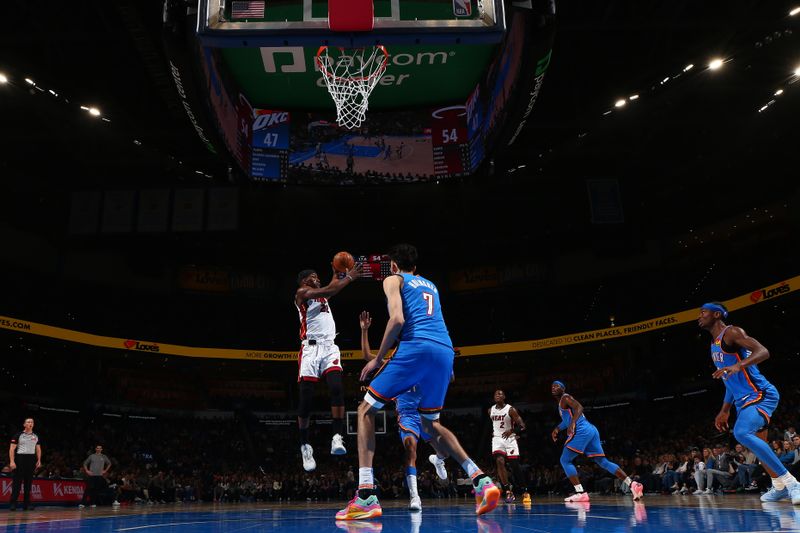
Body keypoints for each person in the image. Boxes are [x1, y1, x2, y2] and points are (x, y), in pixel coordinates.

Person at [336, 244, 500, 520]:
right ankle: (481, 479)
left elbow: (397, 319)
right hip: (445, 351)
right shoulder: (431, 285)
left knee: (365, 410)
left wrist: (377, 359)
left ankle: (366, 496)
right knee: (431, 423)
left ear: (395, 266)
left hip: (416, 347)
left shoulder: (393, 279)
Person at [698, 301, 800, 504]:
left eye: (703, 312)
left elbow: (763, 351)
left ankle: (792, 483)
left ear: (717, 314)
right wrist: (724, 410)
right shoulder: (713, 345)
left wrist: (739, 364)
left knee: (741, 432)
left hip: (760, 393)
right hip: (742, 400)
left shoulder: (732, 332)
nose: (699, 316)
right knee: (759, 446)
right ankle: (778, 486)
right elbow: (730, 381)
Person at [358, 311, 449, 511]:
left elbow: (448, 376)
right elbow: (367, 356)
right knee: (410, 449)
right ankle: (415, 497)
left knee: (444, 451)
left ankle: (438, 460)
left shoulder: (424, 356)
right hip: (407, 415)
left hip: (426, 413)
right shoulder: (395, 363)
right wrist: (364, 331)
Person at [295, 263, 361, 472]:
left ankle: (337, 436)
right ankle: (305, 445)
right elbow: (331, 289)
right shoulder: (302, 293)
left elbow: (332, 286)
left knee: (336, 388)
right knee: (306, 399)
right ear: (305, 280)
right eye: (314, 276)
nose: (317, 278)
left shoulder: (322, 295)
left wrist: (336, 272)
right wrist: (349, 277)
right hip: (310, 350)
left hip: (330, 347)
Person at [551, 381, 644, 502]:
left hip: (582, 430)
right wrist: (557, 428)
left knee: (565, 460)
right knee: (602, 461)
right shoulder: (561, 403)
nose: (554, 387)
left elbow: (579, 407)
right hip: (591, 431)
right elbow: (567, 421)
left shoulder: (565, 397)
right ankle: (633, 485)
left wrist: (573, 423)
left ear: (563, 389)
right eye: (552, 386)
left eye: (557, 386)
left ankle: (581, 493)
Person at [488, 389, 530, 504]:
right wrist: (495, 432)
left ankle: (524, 491)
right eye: (496, 394)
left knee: (515, 466)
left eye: (500, 394)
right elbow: (494, 425)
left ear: (504, 396)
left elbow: (522, 426)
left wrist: (511, 430)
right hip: (497, 439)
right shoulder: (490, 410)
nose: (498, 395)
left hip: (510, 439)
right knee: (499, 461)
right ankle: (507, 491)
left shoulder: (510, 410)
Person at [8, 417, 42, 511]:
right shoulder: (18, 435)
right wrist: (12, 461)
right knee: (17, 483)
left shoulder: (35, 436)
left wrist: (39, 460)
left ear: (33, 424)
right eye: (28, 422)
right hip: (20, 459)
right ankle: (13, 503)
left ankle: (26, 504)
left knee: (28, 483)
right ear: (24, 424)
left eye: (32, 422)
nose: (30, 423)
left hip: (31, 460)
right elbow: (11, 449)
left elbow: (38, 449)